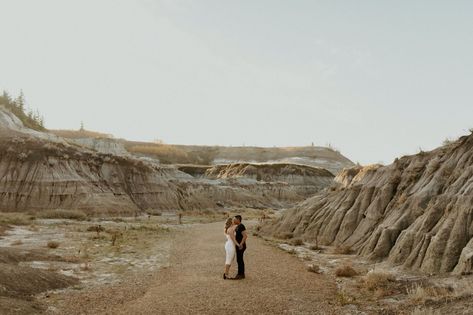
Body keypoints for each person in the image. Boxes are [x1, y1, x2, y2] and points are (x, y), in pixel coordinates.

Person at [233, 215, 247, 279]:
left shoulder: (241, 226)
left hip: (241, 246)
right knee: (239, 259)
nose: (234, 220)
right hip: (238, 245)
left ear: (238, 219)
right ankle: (240, 273)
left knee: (240, 259)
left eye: (235, 219)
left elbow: (245, 236)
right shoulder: (237, 226)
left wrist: (241, 244)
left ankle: (241, 274)